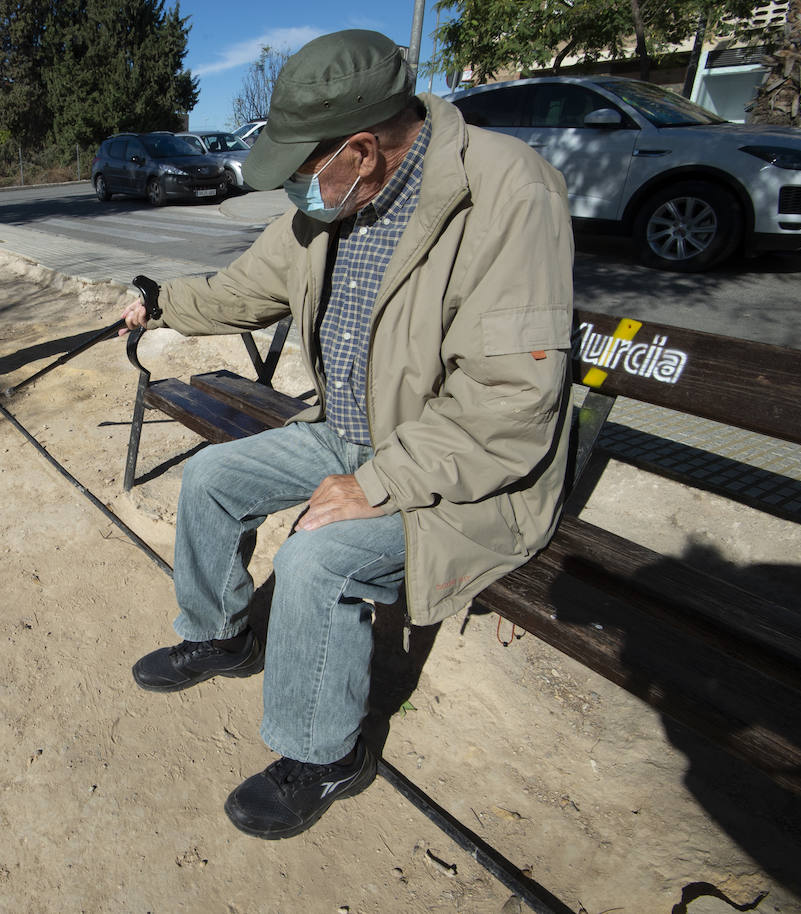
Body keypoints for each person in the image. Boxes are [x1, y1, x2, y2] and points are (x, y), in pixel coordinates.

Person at [118, 30, 574, 840]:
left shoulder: (508, 195)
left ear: (360, 150)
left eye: (302, 169)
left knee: (316, 556)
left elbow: (511, 404)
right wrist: (163, 304)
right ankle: (221, 635)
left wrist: (376, 485)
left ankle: (325, 755)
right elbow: (243, 287)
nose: (296, 192)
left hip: (465, 475)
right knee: (211, 479)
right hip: (350, 431)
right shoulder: (332, 206)